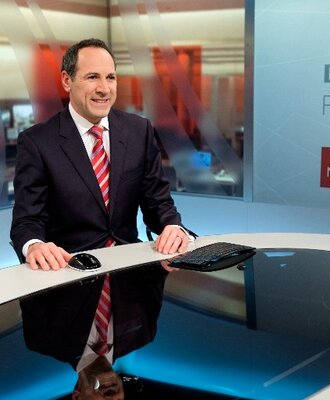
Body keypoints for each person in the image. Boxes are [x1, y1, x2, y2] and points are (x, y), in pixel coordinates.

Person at [10, 38, 193, 368]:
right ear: (67, 81)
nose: (104, 88)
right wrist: (35, 245)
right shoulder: (37, 143)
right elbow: (26, 222)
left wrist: (172, 226)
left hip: (132, 279)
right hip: (67, 282)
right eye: (92, 77)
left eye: (111, 78)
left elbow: (157, 201)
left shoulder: (139, 131)